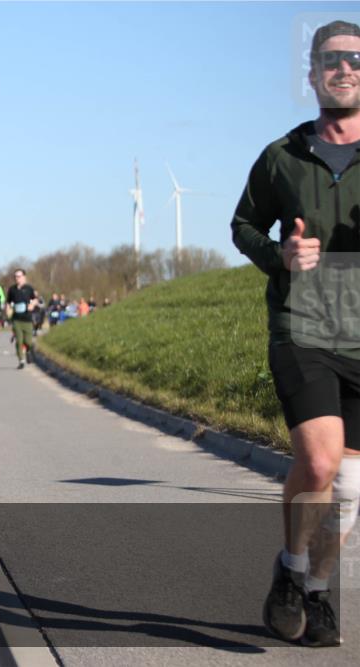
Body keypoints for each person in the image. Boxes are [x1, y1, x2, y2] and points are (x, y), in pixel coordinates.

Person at [231, 20, 360, 648]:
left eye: (354, 59)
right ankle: (290, 567)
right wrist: (278, 255)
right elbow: (242, 227)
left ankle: (315, 589)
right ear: (312, 76)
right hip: (301, 326)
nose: (343, 69)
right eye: (330, 60)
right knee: (317, 459)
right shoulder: (281, 155)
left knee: (352, 485)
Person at [6, 269, 37, 369]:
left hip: (27, 319)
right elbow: (8, 303)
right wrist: (8, 311)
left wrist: (32, 304)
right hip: (16, 319)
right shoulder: (12, 289)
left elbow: (35, 299)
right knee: (19, 341)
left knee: (28, 341)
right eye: (15, 276)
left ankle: (30, 349)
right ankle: (21, 360)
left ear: (24, 277)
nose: (17, 278)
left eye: (19, 276)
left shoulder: (29, 288)